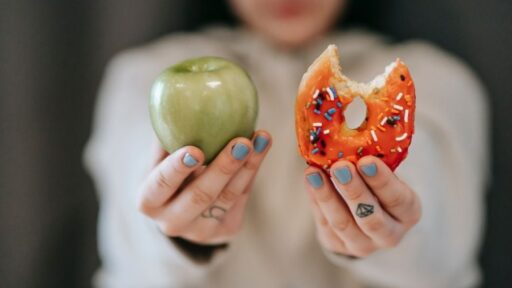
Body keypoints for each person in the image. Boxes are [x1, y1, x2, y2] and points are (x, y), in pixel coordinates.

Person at [84, 0, 489, 287]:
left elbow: (441, 240)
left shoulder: (438, 79)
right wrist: (175, 232)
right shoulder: (140, 76)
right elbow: (129, 238)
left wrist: (390, 233)